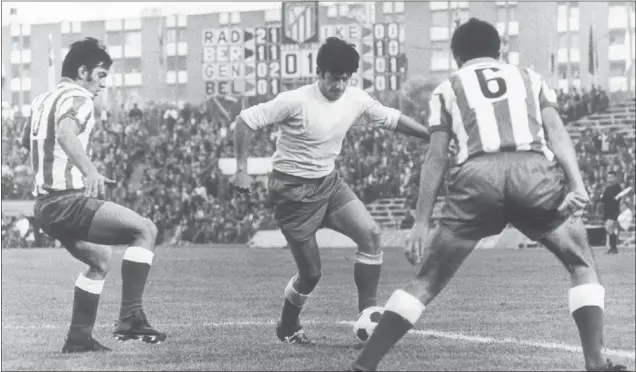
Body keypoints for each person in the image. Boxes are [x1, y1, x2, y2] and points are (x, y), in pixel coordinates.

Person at [348, 19, 627, 372]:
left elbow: (436, 157)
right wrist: (577, 185)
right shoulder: (530, 77)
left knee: (427, 281)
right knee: (581, 263)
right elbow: (556, 131)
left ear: (457, 57)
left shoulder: (447, 88)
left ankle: (365, 365)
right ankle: (595, 361)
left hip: (476, 177)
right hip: (533, 173)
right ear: (499, 50)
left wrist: (421, 221)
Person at [232, 37, 429, 345]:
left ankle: (368, 315)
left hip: (329, 184)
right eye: (333, 78)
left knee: (371, 235)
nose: (339, 85)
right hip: (291, 192)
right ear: (319, 72)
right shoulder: (294, 100)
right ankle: (287, 326)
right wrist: (241, 169)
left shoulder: (355, 98)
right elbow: (245, 121)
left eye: (345, 78)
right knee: (310, 275)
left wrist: (429, 135)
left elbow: (391, 119)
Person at [21, 37, 166, 353]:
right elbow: (64, 132)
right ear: (83, 71)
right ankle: (130, 318)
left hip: (44, 206)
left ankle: (78, 339)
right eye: (101, 75)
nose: (103, 84)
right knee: (145, 229)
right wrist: (88, 171)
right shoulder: (79, 98)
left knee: (100, 258)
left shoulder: (40, 100)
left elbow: (26, 140)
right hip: (65, 200)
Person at [601, 171, 623, 254]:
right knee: (610, 229)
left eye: (611, 177)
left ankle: (613, 247)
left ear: (615, 178)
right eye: (608, 177)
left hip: (614, 211)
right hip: (607, 211)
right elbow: (603, 199)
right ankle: (612, 248)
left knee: (608, 227)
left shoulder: (618, 187)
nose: (609, 179)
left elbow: (616, 199)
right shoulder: (607, 188)